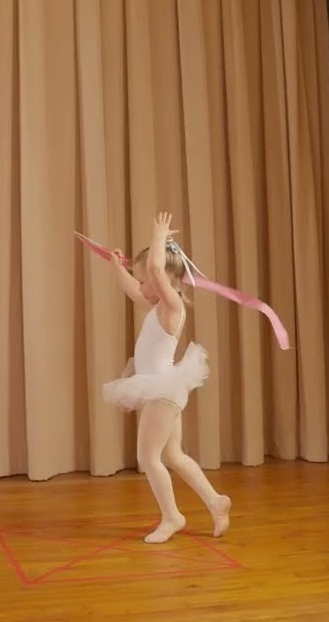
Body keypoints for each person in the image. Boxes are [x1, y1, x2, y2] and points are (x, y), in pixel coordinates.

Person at [100, 212, 232, 544]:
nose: (142, 286)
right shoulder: (157, 305)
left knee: (149, 458)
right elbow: (135, 291)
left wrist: (158, 238)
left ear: (164, 280)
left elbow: (157, 270)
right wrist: (117, 266)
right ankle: (216, 502)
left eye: (145, 280)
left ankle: (172, 517)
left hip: (163, 391)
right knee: (173, 455)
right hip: (162, 389)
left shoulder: (172, 307)